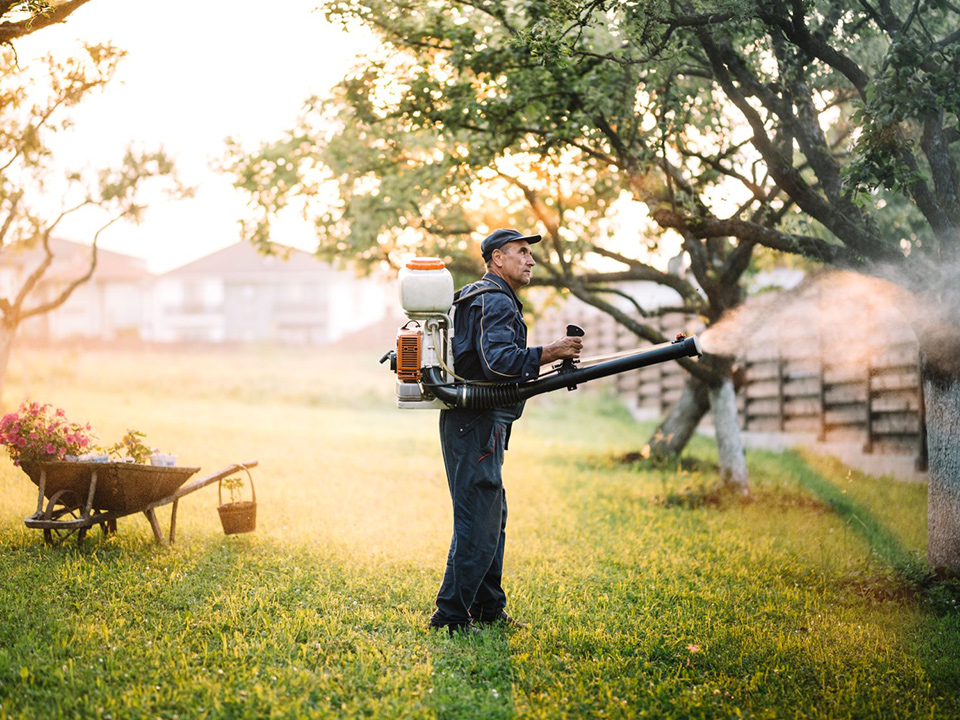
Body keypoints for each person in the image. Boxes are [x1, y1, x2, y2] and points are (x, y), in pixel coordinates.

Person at [429, 228, 583, 635]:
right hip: (476, 423)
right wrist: (550, 352)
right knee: (478, 519)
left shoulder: (481, 295)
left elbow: (488, 361)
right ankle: (450, 616)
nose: (531, 260)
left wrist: (545, 357)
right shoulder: (494, 299)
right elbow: (498, 363)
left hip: (474, 421)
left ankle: (488, 609)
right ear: (497, 258)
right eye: (522, 252)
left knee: (491, 515)